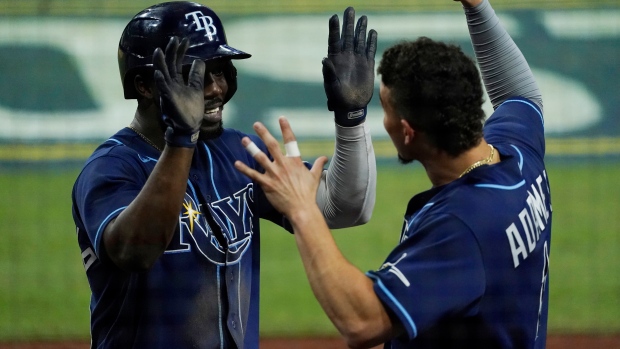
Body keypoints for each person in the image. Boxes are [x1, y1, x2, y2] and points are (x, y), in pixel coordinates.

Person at [234, 0, 551, 348]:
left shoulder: (461, 227)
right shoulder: (518, 156)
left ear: (407, 132)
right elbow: (520, 93)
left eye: (383, 108)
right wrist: (476, 6)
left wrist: (301, 209)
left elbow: (363, 321)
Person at [71, 2, 377, 348]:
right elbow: (135, 252)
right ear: (144, 85)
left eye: (221, 72)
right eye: (196, 75)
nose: (215, 88)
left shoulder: (235, 151)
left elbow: (344, 208)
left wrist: (351, 117)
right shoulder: (111, 168)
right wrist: (181, 140)